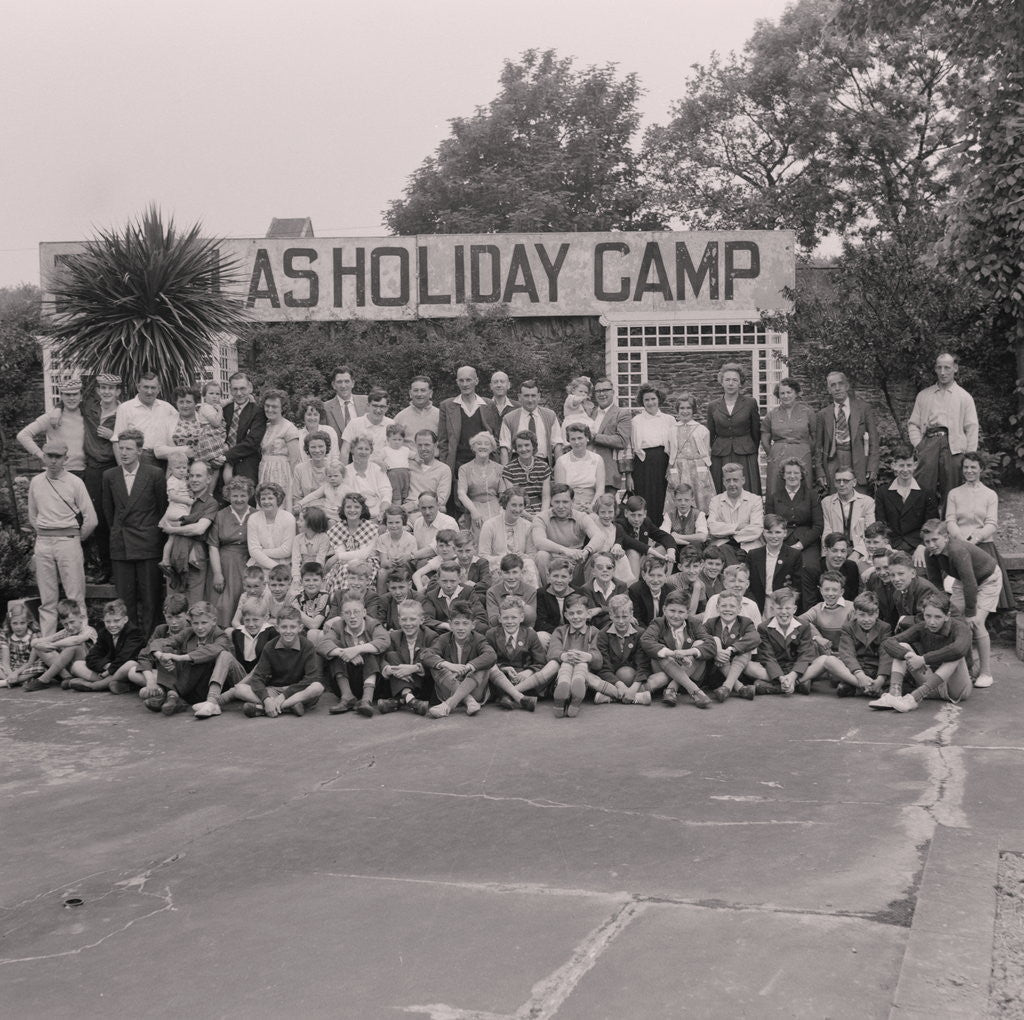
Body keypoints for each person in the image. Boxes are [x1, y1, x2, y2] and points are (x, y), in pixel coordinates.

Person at [28, 438, 97, 635]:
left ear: (66, 459)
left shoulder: (75, 482)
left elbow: (91, 519)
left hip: (68, 542)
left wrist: (75, 538)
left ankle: (81, 644)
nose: (53, 461)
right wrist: (45, 533)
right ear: (44, 456)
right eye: (49, 456)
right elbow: (33, 516)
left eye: (58, 457)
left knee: (75, 597)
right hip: (43, 542)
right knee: (47, 599)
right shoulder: (36, 482)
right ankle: (47, 647)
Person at [102, 428, 167, 637]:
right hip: (122, 545)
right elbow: (108, 512)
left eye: (129, 448)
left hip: (148, 543)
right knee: (125, 601)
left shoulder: (154, 474)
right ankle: (128, 645)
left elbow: (161, 509)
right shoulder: (109, 476)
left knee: (150, 599)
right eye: (121, 448)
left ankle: (149, 645)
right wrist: (117, 535)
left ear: (140, 450)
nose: (124, 453)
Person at [921, 519, 999, 688]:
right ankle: (966, 670)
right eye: (927, 541)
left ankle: (986, 672)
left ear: (946, 537)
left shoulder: (957, 549)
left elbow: (971, 583)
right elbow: (936, 582)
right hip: (962, 580)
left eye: (935, 540)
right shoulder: (930, 553)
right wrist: (941, 605)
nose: (931, 545)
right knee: (951, 619)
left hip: (987, 579)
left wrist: (970, 613)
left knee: (976, 622)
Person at [870, 592, 973, 712]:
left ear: (947, 616)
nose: (932, 622)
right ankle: (894, 694)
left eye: (938, 617)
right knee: (902, 646)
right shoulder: (922, 627)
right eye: (928, 616)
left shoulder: (960, 628)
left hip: (956, 689)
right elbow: (888, 642)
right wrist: (907, 655)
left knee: (955, 655)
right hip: (930, 685)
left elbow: (958, 649)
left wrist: (923, 659)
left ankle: (913, 699)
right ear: (923, 614)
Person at [908, 352, 979, 510]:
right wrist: (919, 445)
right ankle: (925, 527)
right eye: (939, 367)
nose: (943, 372)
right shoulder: (924, 395)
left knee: (953, 490)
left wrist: (970, 457)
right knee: (923, 487)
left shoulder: (964, 397)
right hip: (929, 443)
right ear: (935, 369)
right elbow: (913, 423)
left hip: (954, 446)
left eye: (947, 367)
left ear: (955, 368)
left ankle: (950, 527)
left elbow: (972, 427)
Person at [150, 601, 246, 719]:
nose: (199, 627)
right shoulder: (189, 632)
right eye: (195, 623)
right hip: (199, 684)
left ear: (214, 621)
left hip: (228, 684)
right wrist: (160, 655)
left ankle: (174, 695)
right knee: (167, 652)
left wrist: (178, 657)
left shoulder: (221, 636)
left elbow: (208, 652)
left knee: (209, 655)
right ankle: (174, 697)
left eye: (204, 623)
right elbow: (159, 642)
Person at [945, 452, 1014, 611]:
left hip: (983, 546)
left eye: (973, 467)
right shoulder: (954, 494)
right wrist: (960, 540)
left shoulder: (990, 495)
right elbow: (950, 520)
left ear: (981, 469)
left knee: (984, 590)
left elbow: (992, 523)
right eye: (966, 467)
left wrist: (976, 539)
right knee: (958, 591)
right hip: (958, 545)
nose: (969, 471)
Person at [230, 606, 324, 718]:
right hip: (274, 690)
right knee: (239, 689)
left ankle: (266, 709)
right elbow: (257, 678)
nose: (288, 631)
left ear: (300, 628)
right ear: (277, 628)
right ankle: (288, 707)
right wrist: (266, 699)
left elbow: (312, 677)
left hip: (298, 690)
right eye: (284, 627)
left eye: (293, 627)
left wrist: (284, 696)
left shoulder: (307, 646)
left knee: (317, 687)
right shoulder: (270, 647)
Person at [437, 366, 502, 513]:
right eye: (461, 380)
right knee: (459, 504)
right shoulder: (447, 405)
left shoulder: (488, 405)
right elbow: (443, 441)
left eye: (469, 380)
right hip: (458, 463)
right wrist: (446, 466)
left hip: (484, 462)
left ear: (476, 381)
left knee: (484, 500)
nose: (465, 384)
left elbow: (495, 436)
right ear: (457, 382)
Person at [314, 593, 390, 716]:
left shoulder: (372, 624)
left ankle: (367, 701)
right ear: (342, 615)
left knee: (370, 651)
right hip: (346, 681)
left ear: (364, 612)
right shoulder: (338, 626)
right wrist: (343, 652)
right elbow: (322, 645)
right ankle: (347, 697)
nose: (352, 616)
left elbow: (384, 641)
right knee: (335, 648)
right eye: (348, 613)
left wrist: (357, 649)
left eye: (356, 612)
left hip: (372, 684)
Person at [421, 601, 498, 718]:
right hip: (449, 689)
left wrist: (469, 666)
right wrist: (447, 664)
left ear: (473, 625)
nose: (461, 628)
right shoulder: (444, 639)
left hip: (474, 689)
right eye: (456, 623)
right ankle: (469, 701)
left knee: (483, 665)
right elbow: (425, 655)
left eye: (465, 623)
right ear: (450, 625)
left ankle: (449, 705)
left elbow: (491, 655)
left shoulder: (479, 639)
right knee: (436, 665)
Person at [80, 372, 122, 582]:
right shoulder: (90, 408)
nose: (106, 391)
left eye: (111, 388)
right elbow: (69, 402)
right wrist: (58, 409)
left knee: (115, 518)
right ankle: (105, 569)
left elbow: (133, 438)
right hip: (94, 469)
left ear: (118, 392)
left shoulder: (124, 412)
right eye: (103, 387)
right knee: (98, 519)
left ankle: (119, 569)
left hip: (114, 467)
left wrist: (113, 435)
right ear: (98, 390)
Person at [765, 458, 822, 608]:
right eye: (788, 472)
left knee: (808, 568)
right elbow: (769, 523)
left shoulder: (811, 495)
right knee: (781, 569)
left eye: (796, 473)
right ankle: (783, 609)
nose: (792, 476)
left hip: (807, 542)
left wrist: (801, 544)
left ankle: (807, 612)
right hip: (781, 541)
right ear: (783, 475)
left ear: (802, 475)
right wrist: (780, 541)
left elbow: (818, 526)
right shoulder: (774, 496)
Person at [640, 590, 713, 708]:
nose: (675, 615)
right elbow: (646, 640)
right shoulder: (658, 623)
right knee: (662, 654)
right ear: (664, 610)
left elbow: (711, 644)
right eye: (672, 610)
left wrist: (687, 652)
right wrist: (673, 654)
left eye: (681, 612)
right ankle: (695, 691)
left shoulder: (694, 623)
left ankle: (672, 688)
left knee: (700, 644)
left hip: (691, 671)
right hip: (665, 666)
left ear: (687, 613)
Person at [160, 460, 219, 604]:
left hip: (195, 559)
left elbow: (199, 529)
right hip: (175, 557)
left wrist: (173, 529)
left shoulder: (211, 503)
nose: (193, 480)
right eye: (191, 476)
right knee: (173, 605)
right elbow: (164, 522)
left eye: (198, 476)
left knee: (194, 606)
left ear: (209, 479)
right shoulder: (181, 497)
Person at [812, 371, 879, 494]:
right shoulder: (823, 414)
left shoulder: (863, 409)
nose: (837, 388)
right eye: (833, 385)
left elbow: (874, 440)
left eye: (840, 384)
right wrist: (820, 471)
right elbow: (818, 447)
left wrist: (872, 466)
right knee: (836, 500)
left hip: (857, 460)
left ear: (847, 386)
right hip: (833, 461)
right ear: (828, 389)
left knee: (859, 498)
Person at [744, 588, 817, 695]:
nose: (783, 612)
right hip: (774, 669)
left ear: (794, 609)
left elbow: (805, 655)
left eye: (788, 608)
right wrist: (781, 677)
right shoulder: (763, 628)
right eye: (779, 608)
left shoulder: (804, 626)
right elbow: (767, 657)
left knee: (823, 661)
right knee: (747, 666)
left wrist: (793, 675)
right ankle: (797, 684)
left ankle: (777, 686)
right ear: (773, 609)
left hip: (797, 669)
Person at [874, 445, 937, 568]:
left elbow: (931, 524)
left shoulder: (926, 492)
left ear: (915, 465)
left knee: (920, 571)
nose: (905, 469)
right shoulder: (883, 492)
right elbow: (881, 523)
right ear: (894, 466)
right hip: (892, 545)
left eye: (909, 465)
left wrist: (922, 546)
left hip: (916, 545)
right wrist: (887, 546)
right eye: (901, 465)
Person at [64, 599, 145, 693]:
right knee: (77, 665)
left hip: (126, 671)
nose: (112, 625)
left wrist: (107, 672)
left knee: (131, 664)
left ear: (125, 619)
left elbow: (125, 658)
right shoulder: (104, 633)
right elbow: (91, 657)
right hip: (111, 671)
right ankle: (114, 684)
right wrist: (106, 666)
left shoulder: (134, 633)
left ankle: (94, 686)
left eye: (116, 621)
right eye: (108, 622)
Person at [208, 476, 256, 627]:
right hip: (225, 565)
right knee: (224, 604)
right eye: (235, 495)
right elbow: (213, 546)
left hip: (249, 564)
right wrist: (217, 573)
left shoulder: (256, 514)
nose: (239, 499)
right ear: (228, 496)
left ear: (249, 495)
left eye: (243, 495)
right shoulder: (221, 515)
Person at [545, 593, 603, 717]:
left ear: (588, 614)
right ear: (565, 615)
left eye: (579, 613)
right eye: (571, 614)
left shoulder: (594, 632)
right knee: (565, 665)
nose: (575, 617)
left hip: (584, 674)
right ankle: (561, 697)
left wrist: (588, 656)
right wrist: (563, 656)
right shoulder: (560, 631)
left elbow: (598, 660)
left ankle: (575, 699)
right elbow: (552, 652)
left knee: (581, 666)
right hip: (563, 672)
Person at [20, 598, 97, 692]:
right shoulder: (65, 632)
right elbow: (36, 641)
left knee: (73, 647)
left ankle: (44, 680)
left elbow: (76, 640)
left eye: (72, 622)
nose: (70, 627)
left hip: (85, 667)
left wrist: (53, 645)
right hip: (69, 668)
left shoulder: (89, 630)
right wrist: (37, 644)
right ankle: (67, 677)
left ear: (81, 618)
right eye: (65, 624)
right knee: (39, 647)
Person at [707, 362, 761, 495]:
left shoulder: (750, 403)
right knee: (722, 489)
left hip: (745, 453)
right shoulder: (713, 406)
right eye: (727, 380)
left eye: (735, 380)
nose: (731, 383)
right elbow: (711, 433)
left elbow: (756, 432)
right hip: (721, 454)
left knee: (747, 488)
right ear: (722, 382)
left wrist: (750, 449)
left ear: (740, 383)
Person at [18, 373, 87, 474]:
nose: (71, 398)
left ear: (81, 395)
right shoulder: (52, 417)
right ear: (61, 396)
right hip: (60, 471)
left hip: (85, 471)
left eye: (75, 394)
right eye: (67, 394)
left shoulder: (87, 415)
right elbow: (23, 435)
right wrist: (42, 456)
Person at [531, 484, 600, 583]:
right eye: (557, 502)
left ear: (572, 502)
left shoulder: (581, 517)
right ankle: (550, 593)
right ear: (551, 502)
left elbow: (599, 536)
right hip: (552, 563)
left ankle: (588, 594)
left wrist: (586, 551)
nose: (561, 506)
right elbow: (539, 541)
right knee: (541, 555)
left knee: (596, 556)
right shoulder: (541, 517)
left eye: (565, 502)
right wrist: (565, 550)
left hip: (576, 563)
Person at [483, 595, 542, 711]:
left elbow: (540, 662)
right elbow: (489, 659)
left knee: (539, 677)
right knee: (490, 672)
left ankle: (508, 696)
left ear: (521, 618)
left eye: (514, 618)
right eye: (505, 618)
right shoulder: (491, 634)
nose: (509, 622)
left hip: (523, 677)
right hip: (501, 676)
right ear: (499, 618)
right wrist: (504, 668)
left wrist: (528, 672)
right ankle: (512, 697)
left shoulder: (530, 635)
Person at [377, 598, 435, 715]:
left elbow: (434, 661)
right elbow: (382, 659)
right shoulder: (394, 636)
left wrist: (414, 668)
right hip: (397, 681)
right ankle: (411, 700)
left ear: (421, 620)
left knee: (424, 655)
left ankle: (400, 700)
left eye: (413, 619)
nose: (408, 624)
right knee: (391, 655)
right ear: (399, 620)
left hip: (423, 686)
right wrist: (391, 670)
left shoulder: (431, 636)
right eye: (404, 620)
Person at [630, 382, 677, 526]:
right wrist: (630, 474)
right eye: (646, 400)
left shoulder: (669, 419)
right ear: (642, 402)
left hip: (663, 460)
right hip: (643, 462)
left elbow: (674, 444)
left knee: (662, 496)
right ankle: (645, 530)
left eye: (653, 399)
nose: (650, 403)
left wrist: (670, 466)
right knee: (645, 496)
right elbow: (632, 447)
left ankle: (663, 529)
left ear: (659, 399)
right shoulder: (636, 421)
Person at [593, 593, 652, 705]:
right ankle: (637, 697)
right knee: (593, 677)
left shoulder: (640, 633)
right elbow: (604, 667)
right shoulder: (603, 634)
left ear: (631, 614)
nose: (621, 621)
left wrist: (634, 688)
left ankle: (611, 696)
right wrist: (619, 684)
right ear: (610, 615)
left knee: (660, 677)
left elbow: (643, 665)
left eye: (624, 617)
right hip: (612, 679)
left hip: (633, 677)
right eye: (617, 617)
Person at [110, 371, 177, 467]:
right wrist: (122, 468)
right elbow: (116, 440)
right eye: (146, 387)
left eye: (153, 388)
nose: (149, 392)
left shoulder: (167, 408)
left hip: (164, 459)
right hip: (138, 458)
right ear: (138, 387)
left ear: (159, 389)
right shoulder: (125, 408)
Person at [699, 592, 758, 701]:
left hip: (739, 671)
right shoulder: (711, 623)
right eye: (724, 606)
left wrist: (731, 650)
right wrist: (716, 652)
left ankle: (726, 687)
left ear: (739, 609)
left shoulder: (745, 623)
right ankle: (739, 687)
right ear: (717, 608)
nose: (728, 609)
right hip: (716, 673)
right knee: (716, 643)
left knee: (745, 649)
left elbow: (755, 638)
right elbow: (700, 637)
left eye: (732, 606)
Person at [833, 591, 893, 697]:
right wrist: (859, 674)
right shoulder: (848, 628)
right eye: (861, 615)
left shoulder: (885, 628)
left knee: (894, 668)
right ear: (855, 613)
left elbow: (885, 654)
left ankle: (864, 688)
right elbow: (847, 654)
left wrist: (881, 678)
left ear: (877, 613)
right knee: (830, 661)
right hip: (856, 670)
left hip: (876, 669)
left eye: (871, 615)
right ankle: (869, 688)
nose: (866, 620)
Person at [760, 377, 816, 488]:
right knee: (777, 486)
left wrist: (808, 451)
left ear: (796, 393)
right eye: (782, 393)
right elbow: (765, 437)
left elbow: (815, 436)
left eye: (789, 392)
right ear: (778, 395)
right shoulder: (772, 414)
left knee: (803, 486)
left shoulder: (808, 412)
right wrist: (772, 454)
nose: (786, 396)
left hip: (802, 454)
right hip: (778, 455)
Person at [706, 463, 764, 564]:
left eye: (735, 480)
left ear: (743, 480)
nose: (732, 484)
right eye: (728, 480)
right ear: (724, 482)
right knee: (723, 550)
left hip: (748, 546)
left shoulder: (755, 500)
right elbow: (713, 528)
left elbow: (756, 529)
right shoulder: (715, 501)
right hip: (722, 545)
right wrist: (738, 526)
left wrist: (730, 535)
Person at [479, 489, 539, 586]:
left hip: (521, 567)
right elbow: (483, 556)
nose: (518, 509)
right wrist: (501, 559)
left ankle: (531, 598)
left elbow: (532, 555)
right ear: (505, 504)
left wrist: (524, 556)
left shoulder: (528, 526)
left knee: (528, 564)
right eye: (514, 505)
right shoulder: (489, 525)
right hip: (498, 567)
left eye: (521, 505)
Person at [324, 493, 380, 595]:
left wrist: (338, 557)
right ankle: (338, 602)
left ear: (362, 509)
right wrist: (340, 557)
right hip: (343, 565)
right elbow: (340, 552)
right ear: (343, 509)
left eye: (357, 507)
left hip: (366, 563)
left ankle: (351, 599)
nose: (352, 510)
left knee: (349, 570)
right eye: (348, 507)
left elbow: (365, 554)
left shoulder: (371, 528)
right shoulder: (337, 529)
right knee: (344, 570)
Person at [158, 385, 226, 469]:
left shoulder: (205, 421)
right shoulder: (167, 422)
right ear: (176, 403)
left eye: (188, 402)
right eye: (181, 402)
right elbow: (158, 451)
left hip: (204, 470)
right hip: (177, 471)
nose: (185, 405)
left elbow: (217, 440)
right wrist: (184, 450)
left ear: (195, 402)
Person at [746, 514, 803, 615]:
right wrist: (752, 604)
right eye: (769, 532)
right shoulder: (753, 554)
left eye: (778, 532)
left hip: (783, 606)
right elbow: (748, 583)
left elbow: (797, 586)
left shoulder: (794, 555)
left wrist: (787, 604)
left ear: (785, 533)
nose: (774, 536)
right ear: (763, 532)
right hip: (759, 603)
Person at [499, 380, 563, 466]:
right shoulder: (509, 418)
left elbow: (557, 444)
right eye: (526, 396)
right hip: (517, 464)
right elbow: (504, 448)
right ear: (519, 397)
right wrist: (505, 472)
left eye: (533, 396)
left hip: (543, 463)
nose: (530, 400)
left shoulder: (550, 415)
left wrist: (560, 468)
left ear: (539, 396)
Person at [587, 377, 633, 494]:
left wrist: (594, 437)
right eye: (598, 391)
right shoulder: (589, 413)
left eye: (605, 390)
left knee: (606, 509)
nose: (602, 394)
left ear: (613, 392)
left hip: (608, 472)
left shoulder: (622, 413)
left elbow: (621, 441)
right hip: (587, 472)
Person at [821, 467, 876, 565]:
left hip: (860, 549)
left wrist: (858, 552)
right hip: (835, 549)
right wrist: (828, 553)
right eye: (838, 481)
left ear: (854, 482)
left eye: (846, 481)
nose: (841, 484)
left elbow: (870, 533)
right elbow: (827, 531)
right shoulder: (826, 502)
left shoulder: (867, 502)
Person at [258, 389, 301, 512]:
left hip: (282, 474)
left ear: (282, 408)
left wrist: (295, 487)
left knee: (279, 506)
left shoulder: (289, 428)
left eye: (274, 406)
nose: (270, 409)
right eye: (267, 406)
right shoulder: (264, 426)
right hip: (264, 471)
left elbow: (294, 460)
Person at [222, 370, 267, 486]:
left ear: (250, 388)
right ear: (230, 390)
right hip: (221, 467)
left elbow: (252, 442)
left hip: (246, 467)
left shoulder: (258, 412)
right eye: (235, 389)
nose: (239, 393)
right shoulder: (223, 410)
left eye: (242, 388)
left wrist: (226, 456)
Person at [457, 431, 506, 538]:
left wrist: (502, 511)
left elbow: (503, 494)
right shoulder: (464, 469)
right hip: (474, 507)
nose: (483, 446)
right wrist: (474, 512)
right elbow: (461, 493)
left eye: (487, 444)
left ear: (492, 448)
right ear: (473, 447)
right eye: (479, 443)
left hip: (495, 507)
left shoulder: (499, 468)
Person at [672, 391, 715, 513]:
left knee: (699, 498)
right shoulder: (672, 430)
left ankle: (700, 522)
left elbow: (706, 451)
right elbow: (670, 452)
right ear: (677, 410)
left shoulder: (701, 429)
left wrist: (704, 469)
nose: (685, 411)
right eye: (682, 408)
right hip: (679, 468)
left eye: (688, 408)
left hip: (697, 468)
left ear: (693, 410)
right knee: (681, 496)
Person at [554, 423, 605, 512]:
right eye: (573, 439)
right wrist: (572, 507)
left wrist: (592, 507)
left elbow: (600, 489)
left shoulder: (597, 459)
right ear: (568, 440)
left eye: (580, 438)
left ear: (587, 438)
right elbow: (560, 491)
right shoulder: (561, 461)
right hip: (568, 506)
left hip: (592, 506)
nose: (577, 442)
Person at [247, 481, 296, 572]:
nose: (266, 502)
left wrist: (260, 551)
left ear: (278, 499)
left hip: (285, 566)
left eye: (270, 498)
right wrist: (277, 568)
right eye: (263, 498)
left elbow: (286, 550)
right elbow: (253, 551)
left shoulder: (288, 518)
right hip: (259, 566)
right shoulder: (253, 519)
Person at [340, 436, 392, 520]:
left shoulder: (377, 469)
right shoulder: (346, 471)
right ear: (352, 450)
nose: (363, 452)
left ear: (371, 451)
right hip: (354, 515)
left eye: (367, 449)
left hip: (377, 513)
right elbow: (344, 497)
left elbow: (386, 492)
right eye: (360, 448)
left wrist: (383, 510)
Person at [339, 387, 394, 466]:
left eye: (382, 407)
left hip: (385, 471)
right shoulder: (354, 424)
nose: (378, 410)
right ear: (368, 406)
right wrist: (343, 474)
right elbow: (345, 451)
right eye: (375, 406)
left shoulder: (391, 424)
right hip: (360, 471)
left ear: (387, 408)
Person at [502, 431, 551, 516]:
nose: (523, 449)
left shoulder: (543, 467)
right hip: (519, 511)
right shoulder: (509, 469)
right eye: (519, 446)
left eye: (527, 445)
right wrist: (529, 517)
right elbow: (513, 499)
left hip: (541, 511)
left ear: (533, 446)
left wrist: (542, 515)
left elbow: (546, 497)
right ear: (516, 449)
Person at [485, 553, 539, 628]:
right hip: (501, 631)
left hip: (523, 631)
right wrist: (506, 607)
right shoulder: (492, 592)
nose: (511, 577)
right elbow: (492, 622)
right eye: (507, 573)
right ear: (501, 573)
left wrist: (519, 603)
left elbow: (531, 621)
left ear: (522, 573)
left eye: (515, 572)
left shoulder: (531, 591)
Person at [406, 429, 452, 514]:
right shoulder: (408, 465)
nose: (423, 448)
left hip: (430, 512)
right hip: (407, 512)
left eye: (427, 445)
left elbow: (441, 499)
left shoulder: (443, 469)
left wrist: (414, 505)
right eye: (419, 445)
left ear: (435, 445)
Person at [228, 601, 278, 674]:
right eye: (247, 620)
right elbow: (239, 659)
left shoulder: (271, 632)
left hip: (262, 675)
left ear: (265, 618)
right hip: (243, 674)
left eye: (255, 620)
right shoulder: (237, 633)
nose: (251, 624)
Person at [393, 376, 440, 451]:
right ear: (410, 393)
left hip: (434, 460)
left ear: (430, 393)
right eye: (415, 390)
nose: (419, 394)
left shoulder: (440, 415)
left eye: (423, 390)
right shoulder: (400, 417)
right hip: (408, 461)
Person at [322, 365, 369, 440]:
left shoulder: (366, 402)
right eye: (339, 382)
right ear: (333, 385)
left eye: (347, 381)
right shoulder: (325, 408)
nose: (343, 386)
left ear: (353, 383)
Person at [0, 602, 40, 688]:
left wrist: (16, 673)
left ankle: (7, 682)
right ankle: (11, 680)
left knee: (41, 665)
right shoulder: (6, 635)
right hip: (11, 666)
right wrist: (10, 673)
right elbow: (5, 662)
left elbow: (31, 662)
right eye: (15, 623)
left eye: (22, 623)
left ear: (28, 622)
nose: (18, 627)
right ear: (9, 623)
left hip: (26, 666)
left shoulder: (33, 635)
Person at [628, 555, 672, 628]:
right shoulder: (635, 590)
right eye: (651, 575)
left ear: (666, 576)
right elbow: (637, 620)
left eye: (660, 575)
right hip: (643, 631)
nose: (655, 580)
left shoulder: (669, 591)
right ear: (643, 575)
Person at [295, 396, 340, 466]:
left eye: (315, 414)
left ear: (320, 416)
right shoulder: (298, 435)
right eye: (309, 414)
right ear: (303, 416)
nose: (312, 418)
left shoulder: (329, 431)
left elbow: (335, 457)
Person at [291, 431, 332, 507]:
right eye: (313, 447)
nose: (317, 450)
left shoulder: (334, 467)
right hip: (306, 511)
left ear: (327, 447)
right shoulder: (300, 469)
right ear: (307, 449)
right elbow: (296, 497)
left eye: (321, 446)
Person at [380, 424, 412, 507]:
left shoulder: (405, 450)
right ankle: (396, 509)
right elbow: (376, 459)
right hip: (393, 475)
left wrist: (418, 459)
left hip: (405, 475)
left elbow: (414, 455)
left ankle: (404, 508)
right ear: (388, 439)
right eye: (394, 439)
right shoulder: (385, 450)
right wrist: (381, 463)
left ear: (403, 440)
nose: (397, 442)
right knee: (396, 495)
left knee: (405, 494)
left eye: (399, 439)